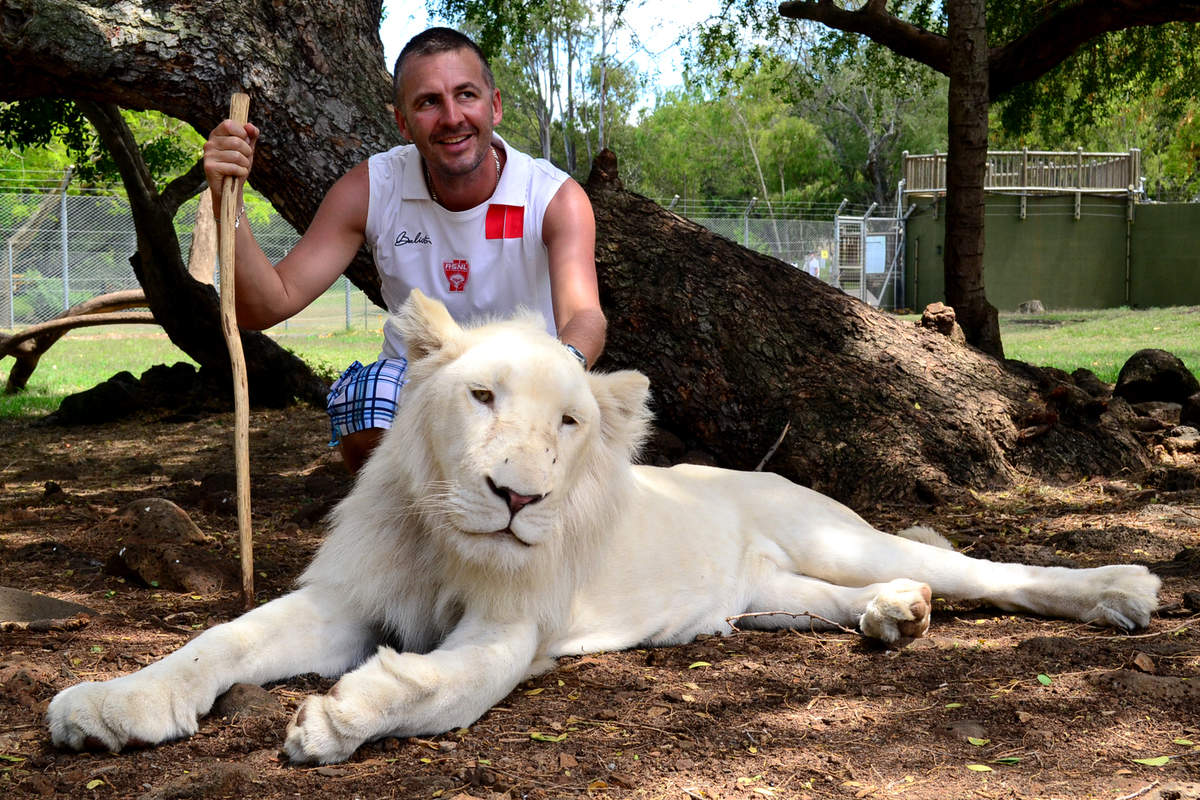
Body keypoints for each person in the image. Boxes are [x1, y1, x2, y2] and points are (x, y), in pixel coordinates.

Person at [202, 27, 606, 473]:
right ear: (402, 122)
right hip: (421, 380)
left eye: (466, 95)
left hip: (524, 384)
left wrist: (559, 371)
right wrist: (228, 200)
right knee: (366, 399)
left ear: (494, 105)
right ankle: (400, 534)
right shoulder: (373, 188)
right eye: (428, 102)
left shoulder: (553, 197)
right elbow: (266, 305)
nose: (451, 117)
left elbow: (584, 317)